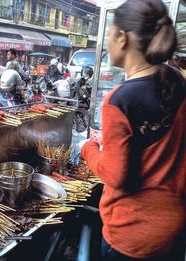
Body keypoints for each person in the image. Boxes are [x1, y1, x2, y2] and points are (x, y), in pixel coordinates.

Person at [79, 0, 186, 260]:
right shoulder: (177, 81)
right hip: (175, 229)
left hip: (132, 235)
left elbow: (116, 176)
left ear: (121, 38)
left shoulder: (119, 100)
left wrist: (87, 148)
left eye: (108, 36)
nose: (107, 44)